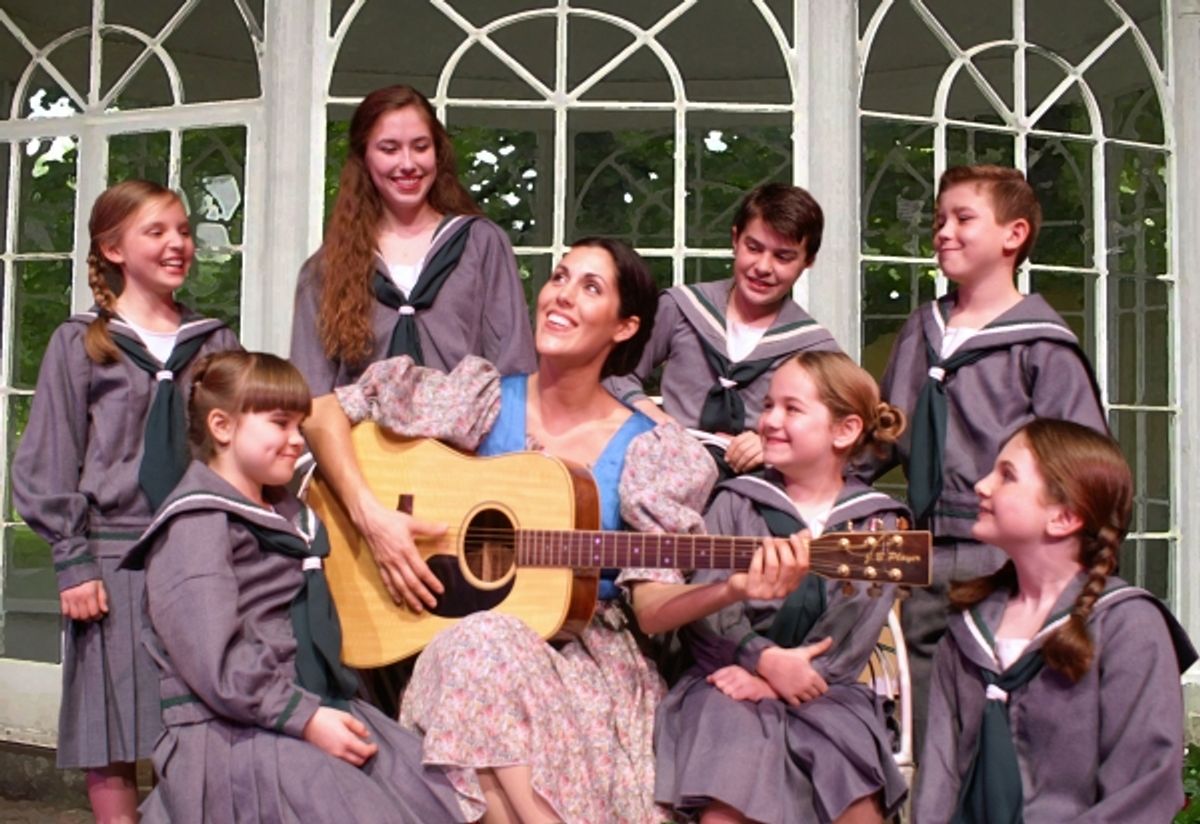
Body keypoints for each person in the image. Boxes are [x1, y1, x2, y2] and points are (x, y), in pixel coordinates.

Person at [304, 237, 809, 823]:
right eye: (560, 277)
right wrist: (374, 518)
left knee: (477, 652)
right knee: (478, 643)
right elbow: (322, 413)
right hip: (462, 654)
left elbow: (650, 609)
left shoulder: (654, 451)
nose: (561, 295)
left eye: (589, 287)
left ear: (625, 328)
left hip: (585, 667)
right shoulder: (482, 399)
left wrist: (735, 588)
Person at [119, 351, 464, 823]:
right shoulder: (194, 525)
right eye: (280, 424)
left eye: (300, 426)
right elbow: (216, 661)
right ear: (222, 427)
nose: (296, 442)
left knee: (437, 792)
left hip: (305, 708)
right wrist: (304, 718)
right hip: (235, 734)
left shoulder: (290, 514)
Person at [11, 180, 240, 822]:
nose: (177, 244)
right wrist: (72, 561)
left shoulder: (215, 343)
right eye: (157, 232)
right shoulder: (83, 343)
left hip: (198, 549)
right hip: (113, 555)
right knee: (110, 733)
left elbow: (240, 450)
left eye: (184, 231)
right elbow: (49, 458)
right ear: (113, 249)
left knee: (200, 712)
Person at [869, 164, 1108, 747]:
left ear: (1013, 235)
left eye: (963, 219)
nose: (943, 231)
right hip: (926, 560)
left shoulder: (1042, 346)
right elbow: (883, 439)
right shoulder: (920, 331)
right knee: (931, 739)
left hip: (1004, 565)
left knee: (1004, 732)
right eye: (939, 220)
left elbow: (1081, 471)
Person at [655, 351, 911, 824]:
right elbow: (707, 611)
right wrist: (760, 659)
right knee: (727, 782)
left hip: (827, 684)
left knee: (852, 788)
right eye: (768, 405)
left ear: (845, 430)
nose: (769, 420)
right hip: (726, 675)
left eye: (792, 409)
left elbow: (854, 631)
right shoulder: (734, 504)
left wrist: (786, 677)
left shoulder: (877, 521)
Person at [914, 419, 1195, 823]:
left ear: (1064, 517)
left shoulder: (1128, 627)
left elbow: (1144, 789)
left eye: (1006, 475)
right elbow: (939, 780)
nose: (982, 485)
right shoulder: (966, 630)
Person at [290, 83, 535, 393]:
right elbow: (311, 391)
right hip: (361, 439)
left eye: (420, 147)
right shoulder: (327, 268)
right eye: (389, 149)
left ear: (438, 152)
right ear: (364, 157)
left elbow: (514, 364)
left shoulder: (480, 244)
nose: (408, 164)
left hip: (464, 439)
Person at [604, 182, 841, 477]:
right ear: (735, 239)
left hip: (755, 495)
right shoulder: (680, 308)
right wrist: (659, 421)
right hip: (664, 475)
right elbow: (614, 374)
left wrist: (773, 447)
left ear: (808, 261)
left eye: (783, 257)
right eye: (753, 248)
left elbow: (842, 437)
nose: (763, 267)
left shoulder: (814, 348)